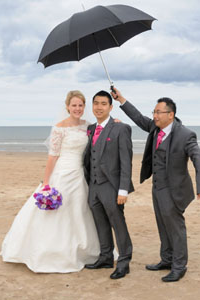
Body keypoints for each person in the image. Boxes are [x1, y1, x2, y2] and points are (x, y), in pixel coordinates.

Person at [111, 87, 200, 282]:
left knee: (175, 227)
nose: (155, 115)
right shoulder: (155, 128)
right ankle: (166, 259)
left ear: (171, 114)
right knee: (162, 225)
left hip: (175, 189)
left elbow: (199, 160)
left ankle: (179, 266)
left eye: (158, 112)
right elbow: (139, 118)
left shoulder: (185, 135)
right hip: (157, 187)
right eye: (154, 112)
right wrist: (121, 99)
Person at [0, 90, 100, 273]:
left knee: (79, 211)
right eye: (74, 105)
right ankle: (51, 252)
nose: (77, 108)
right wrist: (46, 184)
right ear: (67, 107)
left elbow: (101, 134)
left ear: (84, 107)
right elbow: (52, 157)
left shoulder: (89, 126)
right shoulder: (59, 127)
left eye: (80, 105)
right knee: (58, 214)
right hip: (62, 173)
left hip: (79, 174)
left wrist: (115, 121)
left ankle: (82, 250)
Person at [83, 90, 134, 280]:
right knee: (100, 223)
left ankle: (124, 262)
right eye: (96, 103)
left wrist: (123, 189)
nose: (99, 107)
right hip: (94, 186)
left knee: (117, 223)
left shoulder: (121, 129)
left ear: (111, 107)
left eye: (103, 103)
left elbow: (126, 161)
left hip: (112, 186)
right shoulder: (89, 129)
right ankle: (105, 257)